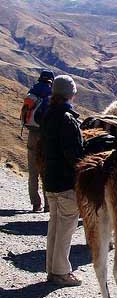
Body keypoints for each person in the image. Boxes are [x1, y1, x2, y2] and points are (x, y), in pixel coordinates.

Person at [40, 75, 83, 286]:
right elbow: (73, 154)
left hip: (50, 178)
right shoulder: (67, 118)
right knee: (66, 228)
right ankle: (61, 273)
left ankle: (52, 269)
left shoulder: (48, 114)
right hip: (66, 182)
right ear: (71, 94)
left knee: (55, 225)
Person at [24, 70, 54, 212]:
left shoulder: (33, 91)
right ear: (51, 80)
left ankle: (36, 204)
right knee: (46, 171)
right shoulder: (52, 94)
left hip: (32, 134)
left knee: (33, 172)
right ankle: (48, 205)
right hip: (46, 137)